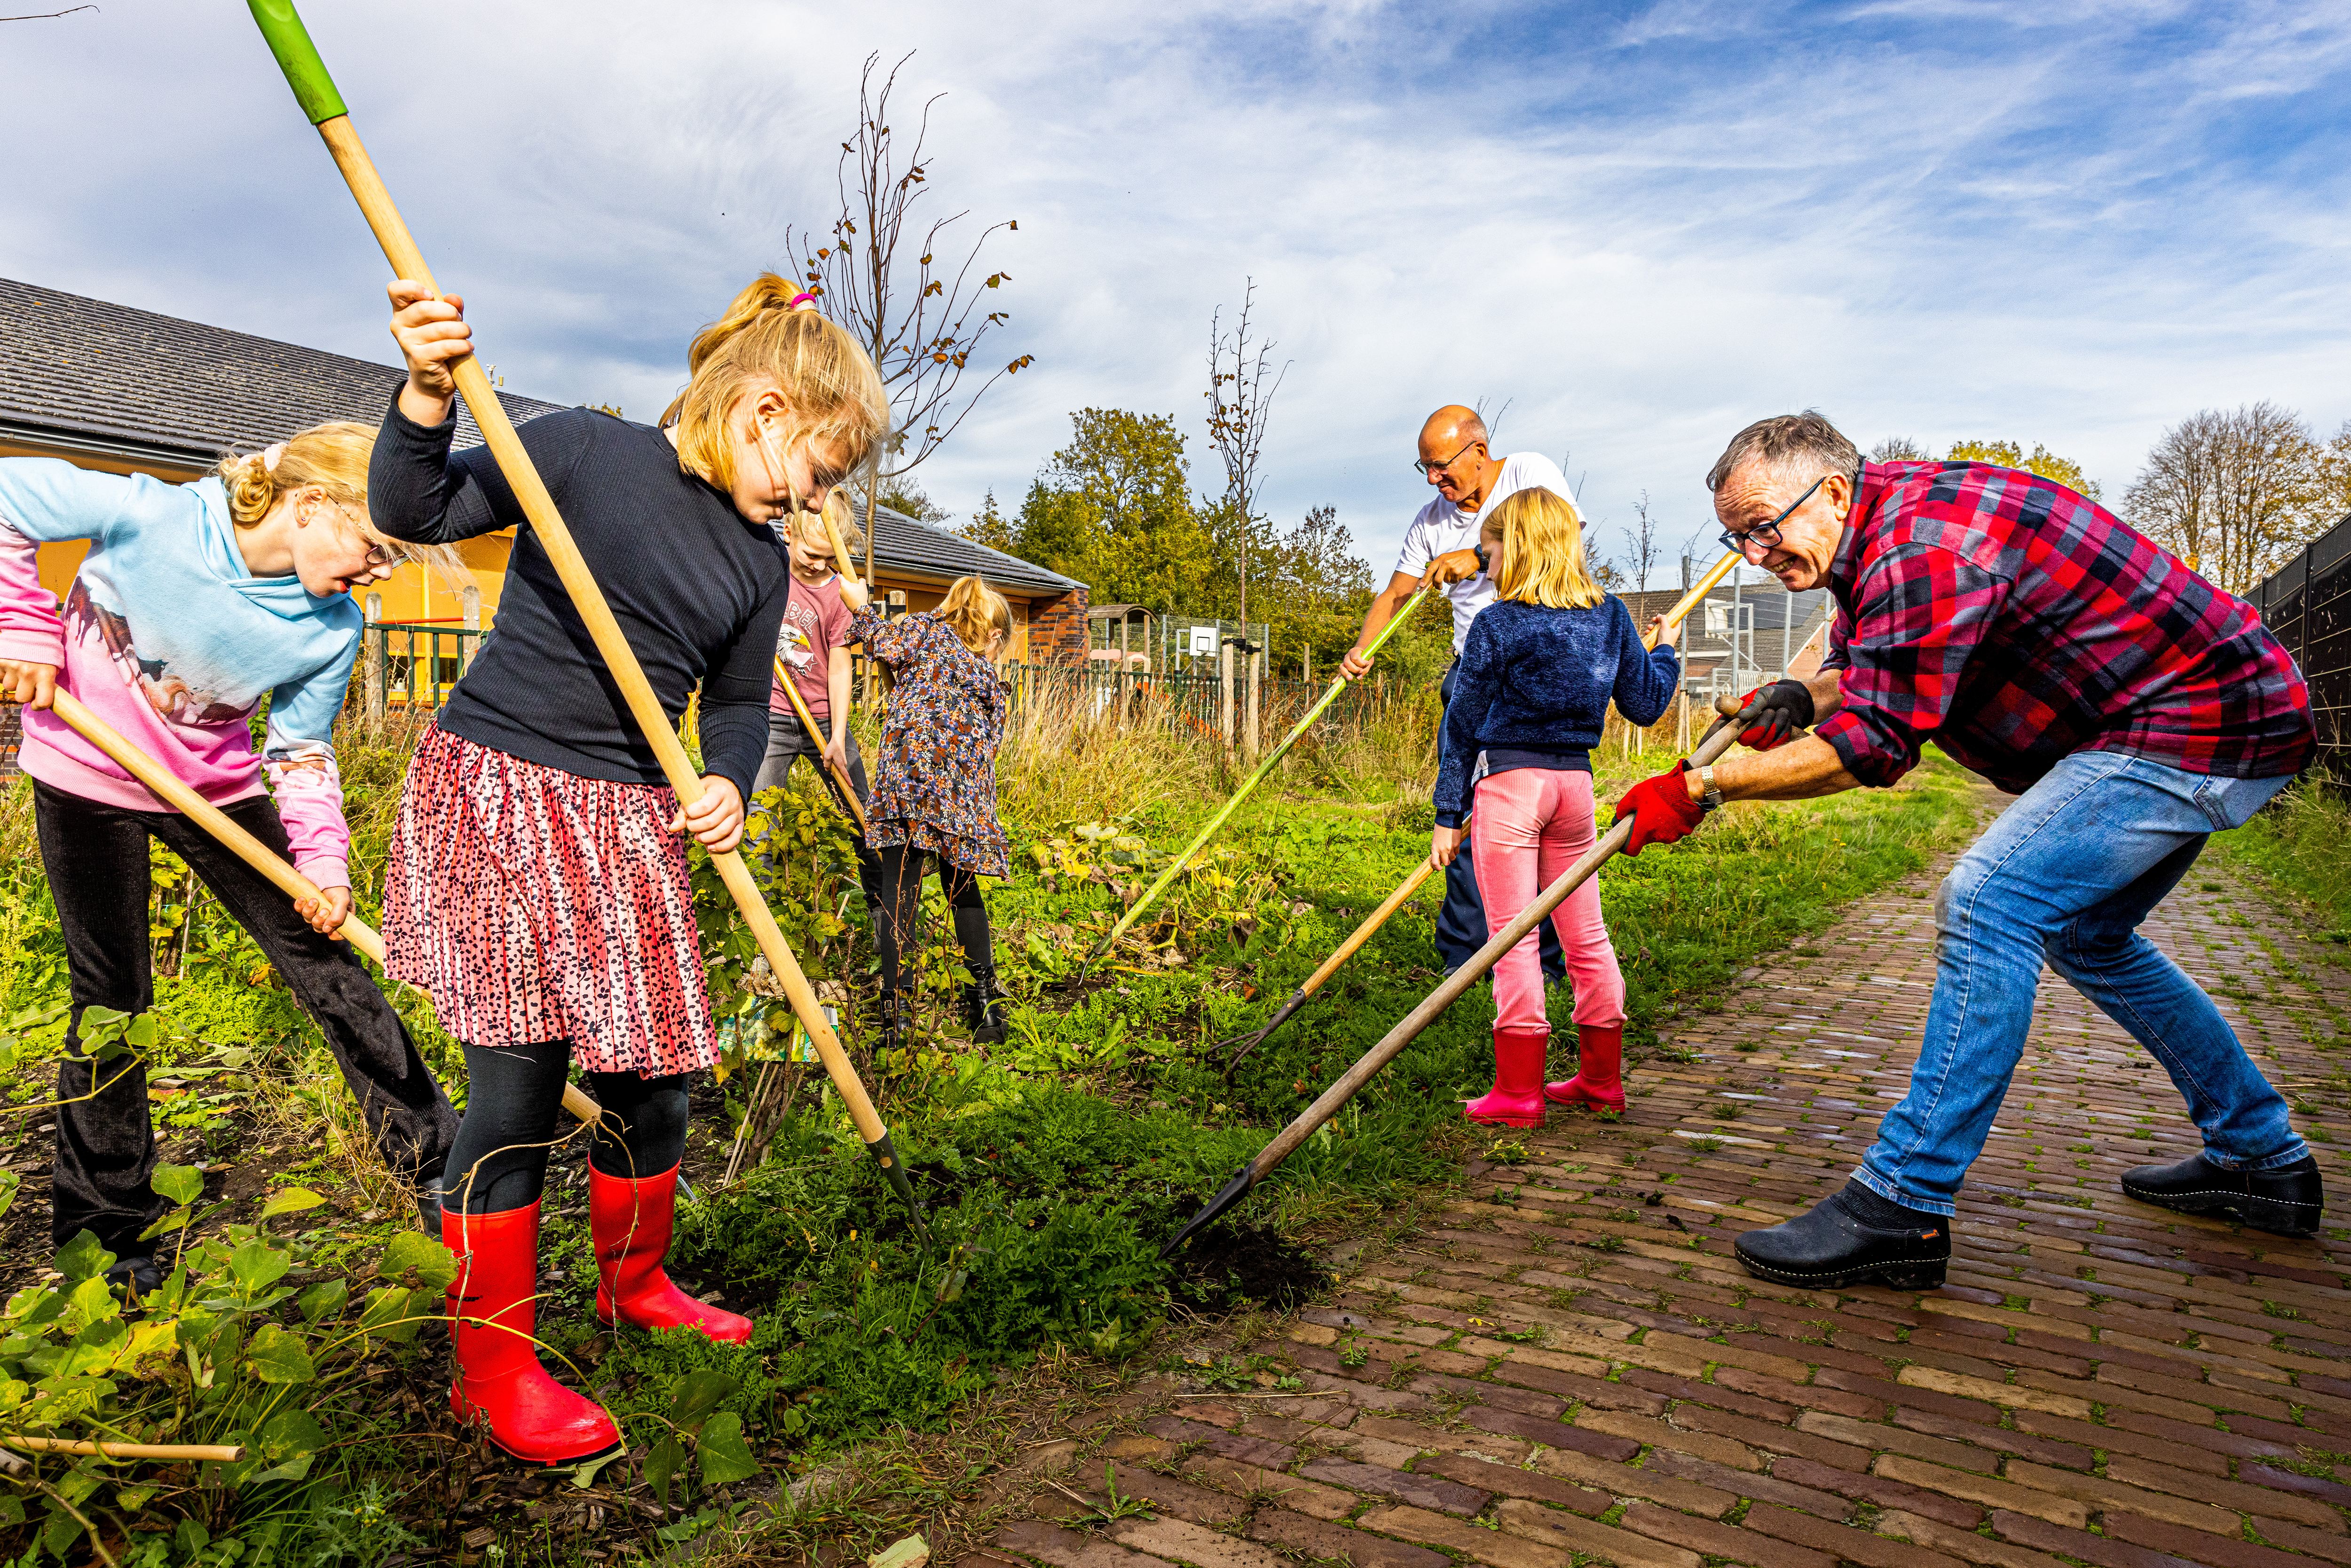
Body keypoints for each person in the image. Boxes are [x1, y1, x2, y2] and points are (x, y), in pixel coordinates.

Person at [1611, 411, 2319, 1290]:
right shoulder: (1885, 533)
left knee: (1991, 900)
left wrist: (1698, 789)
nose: (1754, 554)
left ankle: (1903, 1206)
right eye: (1735, 537)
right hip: (2197, 718)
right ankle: (2263, 1158)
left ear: (1832, 491)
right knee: (2085, 936)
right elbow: (1875, 674)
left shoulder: (1922, 551)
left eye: (1763, 528)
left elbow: (1874, 745)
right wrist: (1803, 692)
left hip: (2199, 723)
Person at [370, 271, 886, 1463]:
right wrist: (429, 390)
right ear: (763, 411)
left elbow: (747, 700)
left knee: (655, 1080)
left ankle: (633, 1282)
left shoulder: (763, 563)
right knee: (514, 1092)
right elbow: (414, 508)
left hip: (629, 823)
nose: (819, 497)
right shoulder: (587, 455)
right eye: (820, 467)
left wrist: (727, 779)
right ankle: (491, 1365)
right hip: (504, 791)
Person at [0, 426, 463, 1295]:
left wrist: (324, 868)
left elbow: (299, 753)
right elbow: (7, 502)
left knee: (327, 965)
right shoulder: (151, 515)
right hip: (87, 774)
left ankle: (440, 1166)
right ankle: (105, 1239)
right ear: (312, 505)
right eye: (376, 546)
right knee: (112, 1002)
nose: (380, 571)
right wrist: (24, 628)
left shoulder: (333, 628)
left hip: (217, 793)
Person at [1429, 488, 1680, 1126]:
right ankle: (1601, 1081)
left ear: (1519, 546)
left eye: (1491, 545)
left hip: (1512, 787)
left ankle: (1517, 1094)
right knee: (1585, 934)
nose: (1484, 558)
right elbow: (1647, 704)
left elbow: (1461, 724)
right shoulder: (1610, 616)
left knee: (1513, 937)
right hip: (1575, 792)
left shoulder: (1499, 623)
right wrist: (1665, 652)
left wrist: (1447, 813)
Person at [1341, 406, 1573, 984]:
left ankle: (1541, 960)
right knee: (1462, 810)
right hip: (1473, 672)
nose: (1432, 481)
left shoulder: (1529, 474)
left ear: (1478, 448)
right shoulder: (1429, 520)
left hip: (1540, 669)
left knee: (1538, 816)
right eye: (1422, 468)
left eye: (1440, 467)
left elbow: (1559, 545)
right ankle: (1466, 953)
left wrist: (1473, 558)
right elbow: (1396, 592)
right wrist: (1361, 648)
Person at [854, 575, 1015, 1054]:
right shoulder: (988, 677)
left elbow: (875, 636)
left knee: (898, 890)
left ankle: (895, 1013)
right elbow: (990, 744)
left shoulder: (921, 632)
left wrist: (861, 605)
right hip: (959, 798)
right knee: (962, 886)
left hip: (907, 783)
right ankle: (984, 1002)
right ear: (993, 636)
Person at [754, 493, 872, 799]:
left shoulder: (840, 595)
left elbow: (840, 667)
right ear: (789, 534)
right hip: (772, 716)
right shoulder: (771, 571)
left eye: (830, 557)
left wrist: (836, 735)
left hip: (825, 718)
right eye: (811, 554)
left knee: (858, 809)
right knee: (761, 818)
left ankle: (881, 849)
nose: (819, 565)